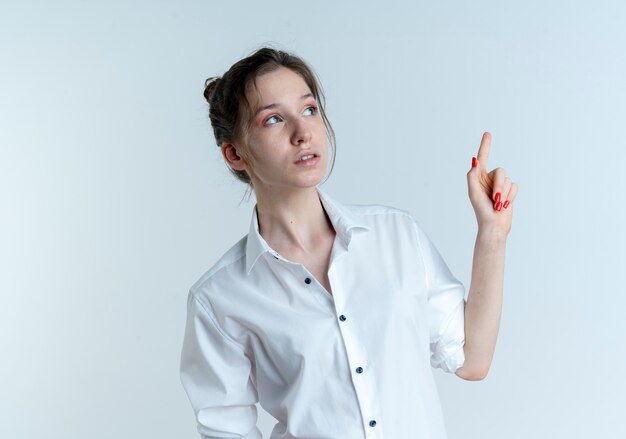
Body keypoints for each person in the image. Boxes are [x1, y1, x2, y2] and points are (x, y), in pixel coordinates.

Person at [180, 47, 518, 439]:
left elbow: (472, 360)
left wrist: (493, 233)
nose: (302, 132)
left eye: (309, 110)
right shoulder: (220, 299)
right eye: (273, 119)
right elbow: (227, 432)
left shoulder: (396, 236)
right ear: (235, 154)